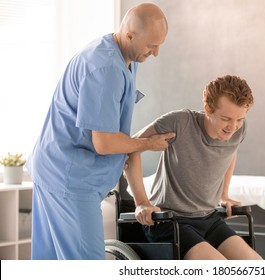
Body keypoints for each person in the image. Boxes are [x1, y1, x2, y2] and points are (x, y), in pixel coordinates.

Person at [26, 3, 175, 260]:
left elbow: (116, 134)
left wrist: (141, 198)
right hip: (69, 179)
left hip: (53, 168)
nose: (157, 53)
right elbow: (105, 143)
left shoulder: (125, 57)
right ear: (130, 35)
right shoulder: (106, 68)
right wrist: (146, 143)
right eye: (152, 45)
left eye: (160, 45)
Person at [124, 75, 263, 260]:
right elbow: (130, 148)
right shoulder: (180, 122)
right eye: (226, 119)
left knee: (256, 264)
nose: (233, 127)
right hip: (169, 221)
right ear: (208, 109)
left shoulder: (239, 130)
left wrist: (224, 195)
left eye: (239, 119)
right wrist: (141, 202)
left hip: (209, 218)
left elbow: (230, 152)